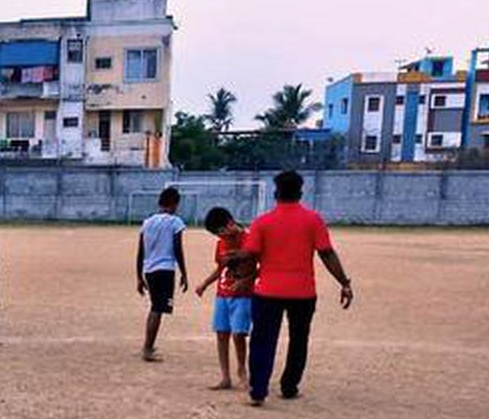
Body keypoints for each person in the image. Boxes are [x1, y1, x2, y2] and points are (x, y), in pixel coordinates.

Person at [234, 171, 354, 406]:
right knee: (299, 340)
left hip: (268, 291)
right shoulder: (313, 220)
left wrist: (239, 270)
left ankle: (258, 390)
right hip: (302, 292)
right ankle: (289, 386)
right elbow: (326, 253)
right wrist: (344, 282)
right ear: (300, 192)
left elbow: (250, 255)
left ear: (276, 192)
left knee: (262, 340)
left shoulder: (262, 222)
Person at [195, 207, 256, 390]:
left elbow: (265, 266)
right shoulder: (221, 243)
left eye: (222, 232)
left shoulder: (250, 239)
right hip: (223, 294)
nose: (221, 238)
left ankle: (242, 372)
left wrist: (246, 280)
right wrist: (205, 283)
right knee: (222, 334)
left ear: (230, 223)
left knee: (239, 334)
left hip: (244, 295)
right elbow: (220, 268)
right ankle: (225, 377)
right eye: (218, 235)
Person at [135, 187, 188, 362]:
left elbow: (140, 251)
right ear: (174, 204)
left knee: (155, 306)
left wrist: (139, 276)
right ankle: (147, 348)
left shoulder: (147, 222)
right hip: (165, 270)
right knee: (158, 308)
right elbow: (178, 249)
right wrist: (184, 273)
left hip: (149, 270)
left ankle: (148, 344)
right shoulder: (175, 222)